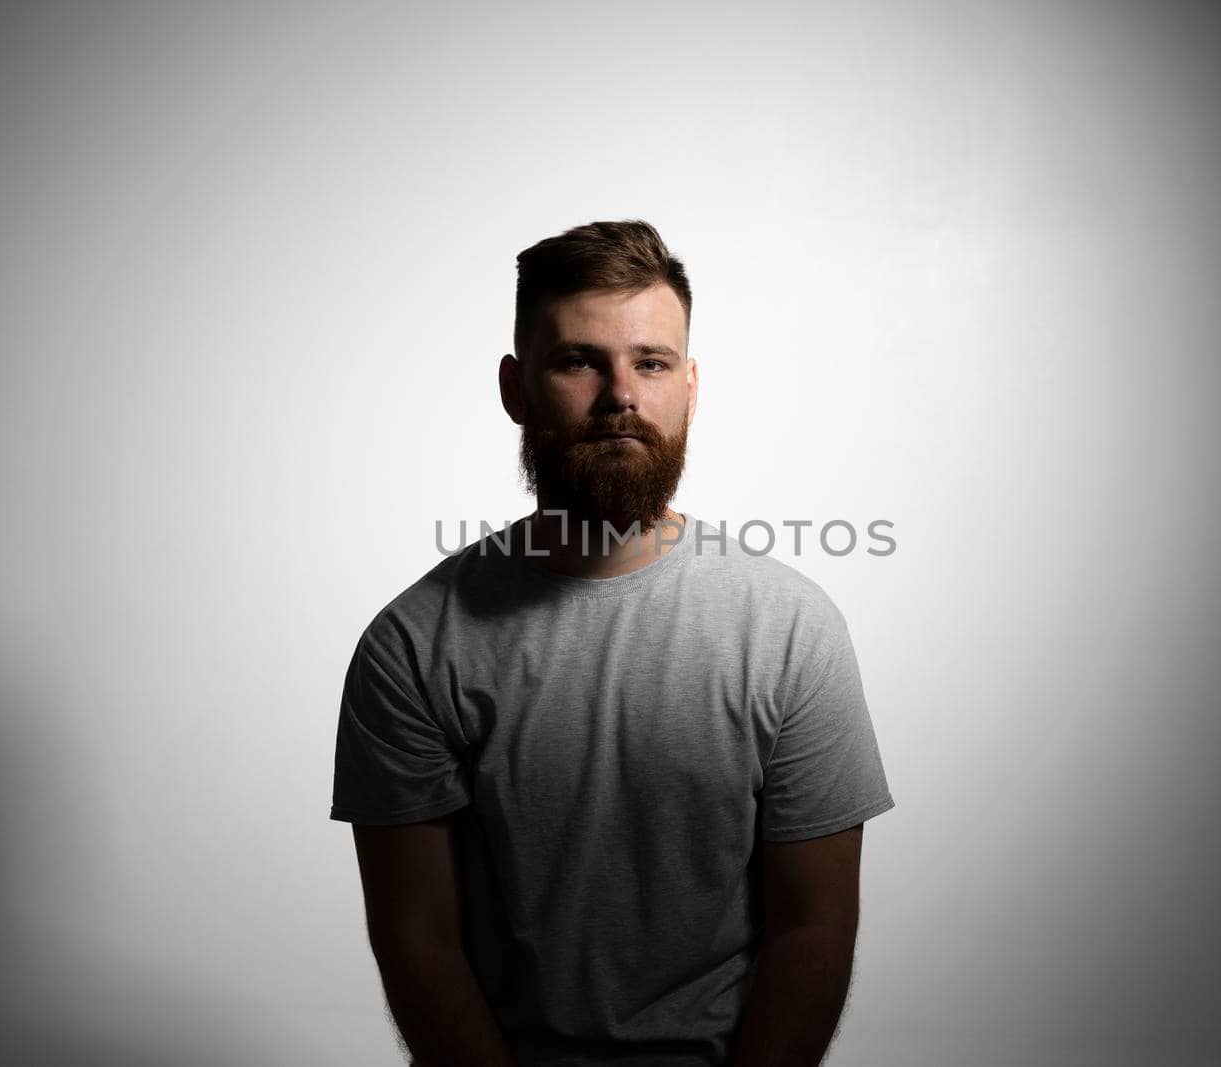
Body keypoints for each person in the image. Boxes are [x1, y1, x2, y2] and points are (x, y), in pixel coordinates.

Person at [331, 219, 895, 1066]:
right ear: (516, 389)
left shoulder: (791, 631)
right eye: (578, 360)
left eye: (651, 362)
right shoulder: (413, 645)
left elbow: (813, 928)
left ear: (691, 388)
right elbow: (419, 943)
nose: (620, 393)